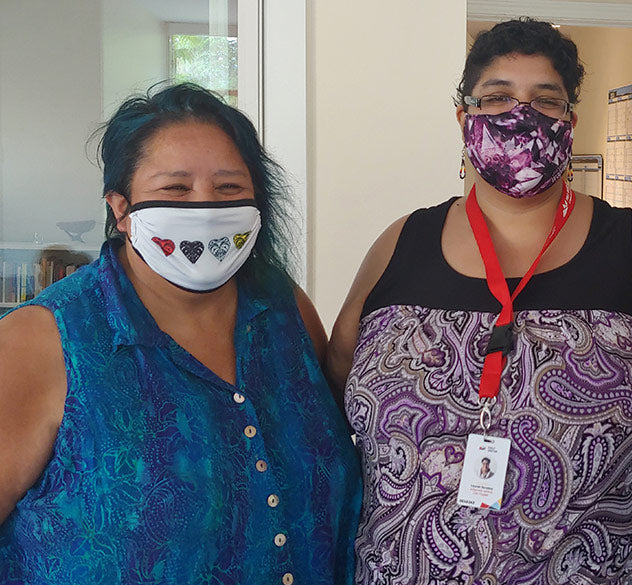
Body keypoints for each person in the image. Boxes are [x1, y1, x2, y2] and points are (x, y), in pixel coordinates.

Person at [329, 17, 632, 584]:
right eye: (497, 97)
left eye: (544, 101)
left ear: (570, 124)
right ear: (464, 118)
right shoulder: (399, 245)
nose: (519, 115)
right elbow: (335, 391)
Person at [0, 83, 361, 584]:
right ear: (120, 207)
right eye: (176, 188)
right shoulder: (42, 340)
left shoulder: (285, 310)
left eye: (230, 187)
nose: (206, 207)